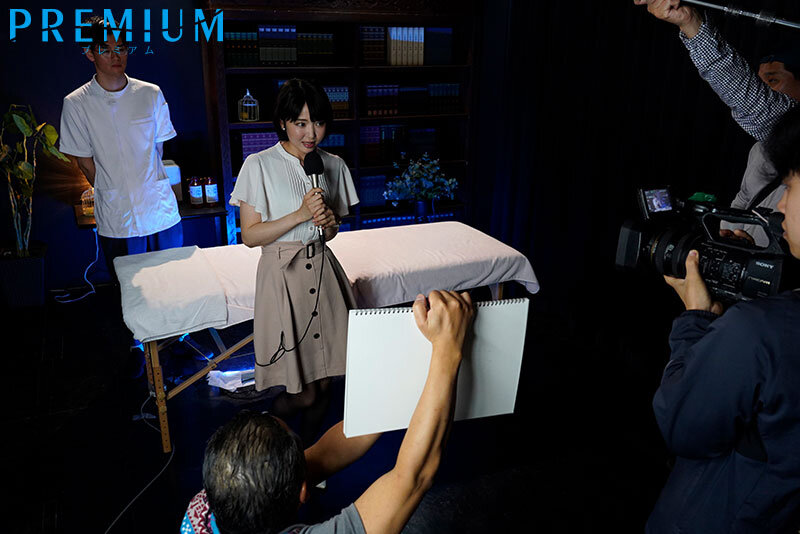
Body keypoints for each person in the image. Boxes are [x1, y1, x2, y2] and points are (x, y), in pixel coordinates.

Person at [182, 289, 475, 534]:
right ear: (303, 492)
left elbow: (327, 453)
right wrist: (447, 349)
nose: (309, 454)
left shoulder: (205, 507)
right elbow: (414, 477)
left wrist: (403, 378)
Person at [648, 106, 800, 532]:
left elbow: (682, 425)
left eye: (790, 186)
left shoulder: (758, 332)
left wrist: (696, 319)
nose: (780, 205)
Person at [229, 79, 359, 442]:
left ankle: (306, 457)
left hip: (324, 272)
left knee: (326, 382)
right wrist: (300, 214)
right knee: (303, 392)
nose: (311, 133)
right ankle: (266, 443)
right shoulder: (258, 165)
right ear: (283, 123)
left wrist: (328, 224)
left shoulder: (332, 164)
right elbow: (250, 235)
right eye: (300, 123)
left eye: (318, 122)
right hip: (283, 278)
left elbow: (329, 232)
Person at [635, 0, 800, 246]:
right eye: (760, 81)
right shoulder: (762, 150)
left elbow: (750, 98)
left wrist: (691, 24)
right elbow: (741, 205)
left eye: (773, 80)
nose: (765, 90)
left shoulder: (784, 124)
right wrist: (732, 243)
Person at [59, 16, 183, 280]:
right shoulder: (76, 103)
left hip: (160, 211)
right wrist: (113, 190)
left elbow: (158, 149)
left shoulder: (150, 94)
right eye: (105, 50)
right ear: (90, 53)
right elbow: (85, 163)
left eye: (121, 48)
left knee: (174, 283)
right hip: (118, 219)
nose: (116, 56)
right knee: (129, 290)